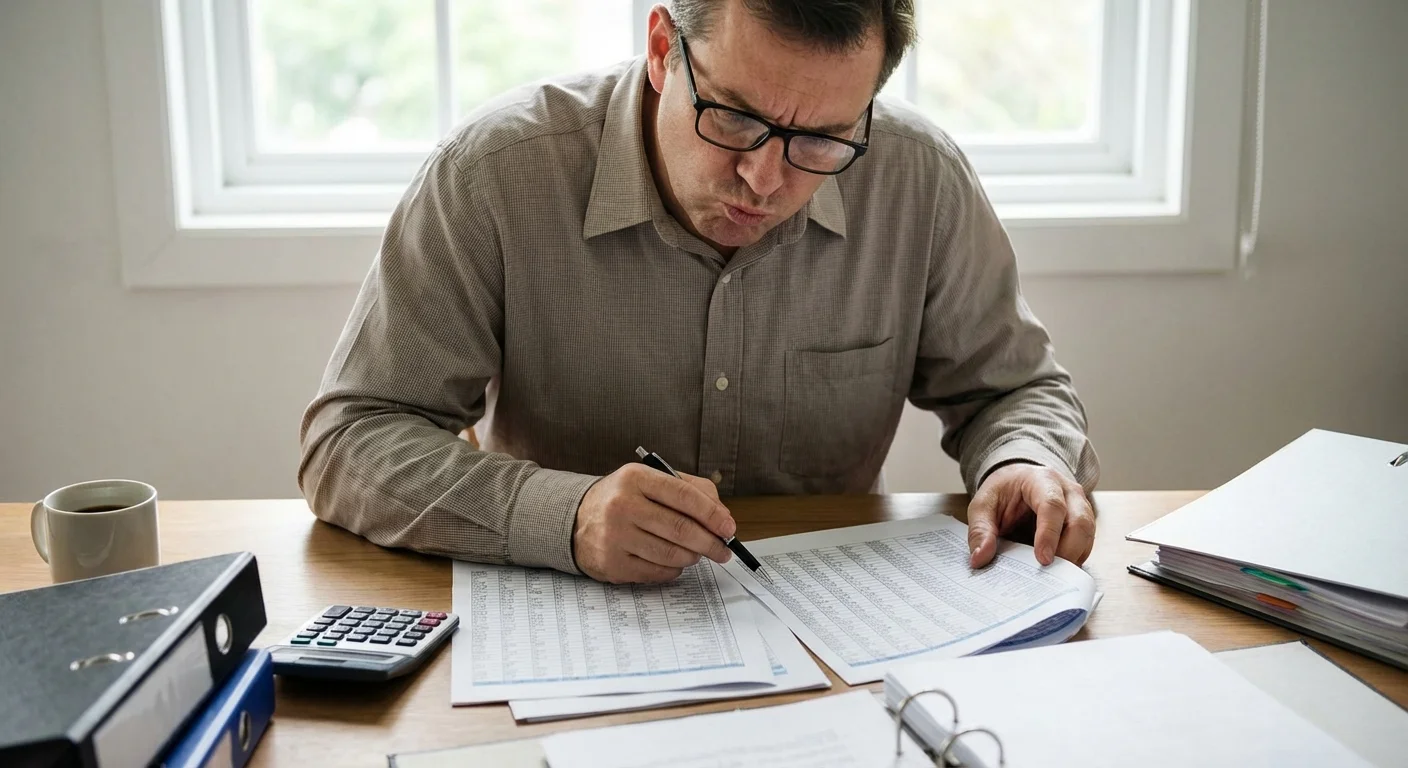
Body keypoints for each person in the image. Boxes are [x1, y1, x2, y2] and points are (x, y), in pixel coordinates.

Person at [299, 0, 1100, 585]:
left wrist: (1023, 460)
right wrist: (563, 517)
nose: (765, 177)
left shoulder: (917, 178)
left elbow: (1015, 389)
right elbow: (351, 437)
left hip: (837, 636)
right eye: (735, 117)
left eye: (821, 139)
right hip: (563, 619)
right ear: (660, 48)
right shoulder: (495, 177)